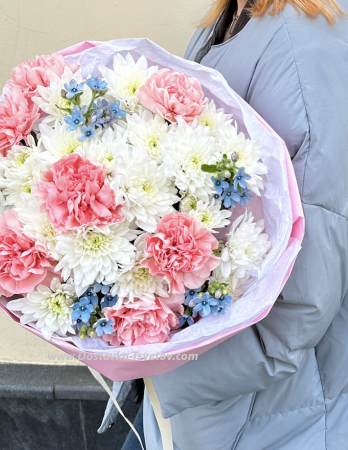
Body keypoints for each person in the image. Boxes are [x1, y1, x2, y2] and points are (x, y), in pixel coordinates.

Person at [121, 0, 348, 448]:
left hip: (272, 413)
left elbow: (305, 299)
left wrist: (168, 368)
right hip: (212, 401)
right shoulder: (228, 22)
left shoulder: (304, 42)